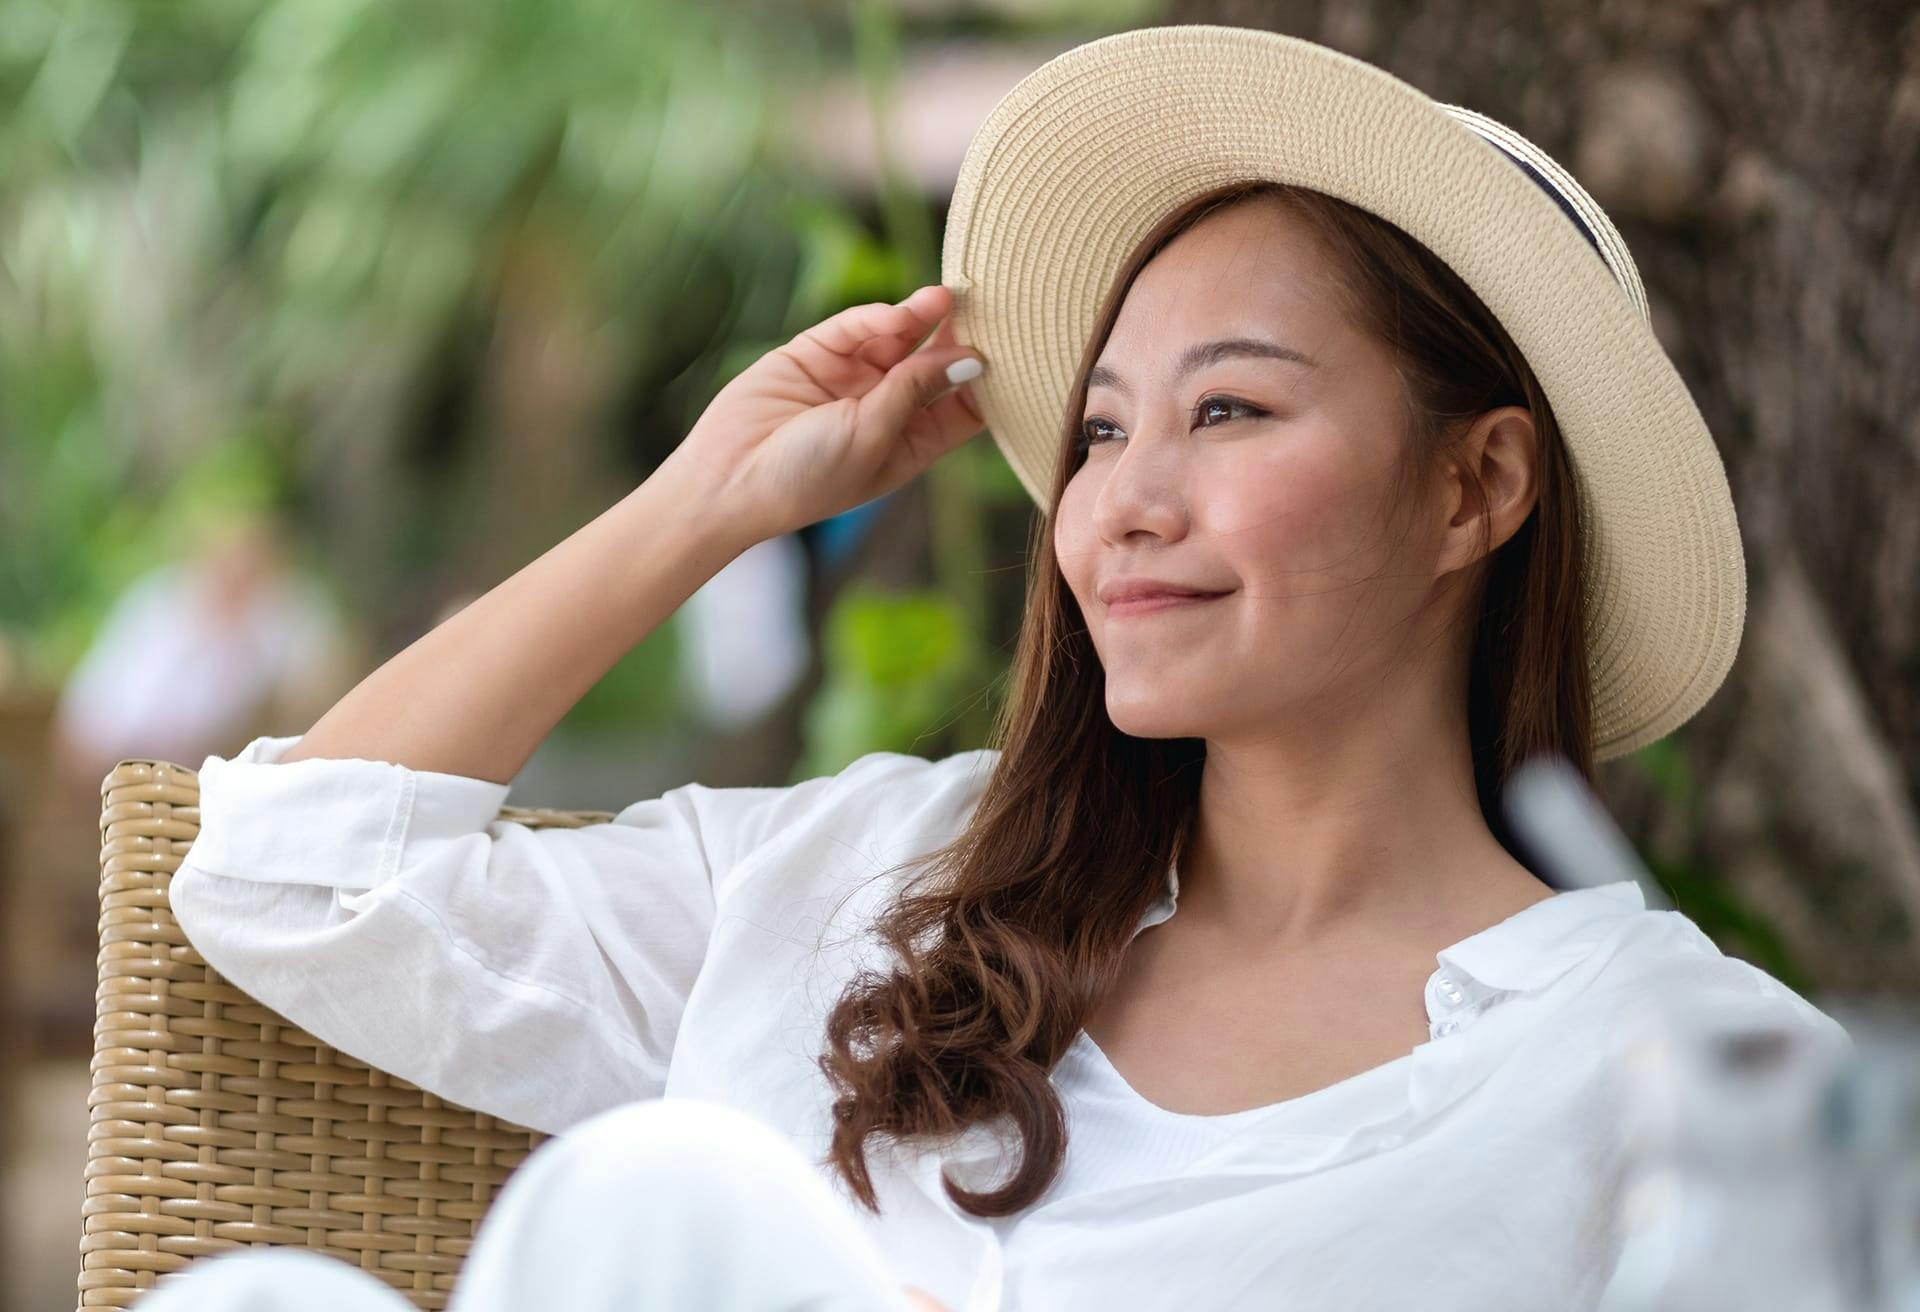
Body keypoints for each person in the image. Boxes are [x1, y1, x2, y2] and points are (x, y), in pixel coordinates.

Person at [142, 25, 1849, 1312]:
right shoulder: (883, 880)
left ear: (1475, 487)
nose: (1122, 502)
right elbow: (298, 876)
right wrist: (698, 509)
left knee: (662, 1202)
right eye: (1100, 429)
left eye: (1230, 409)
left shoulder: (1675, 1068)